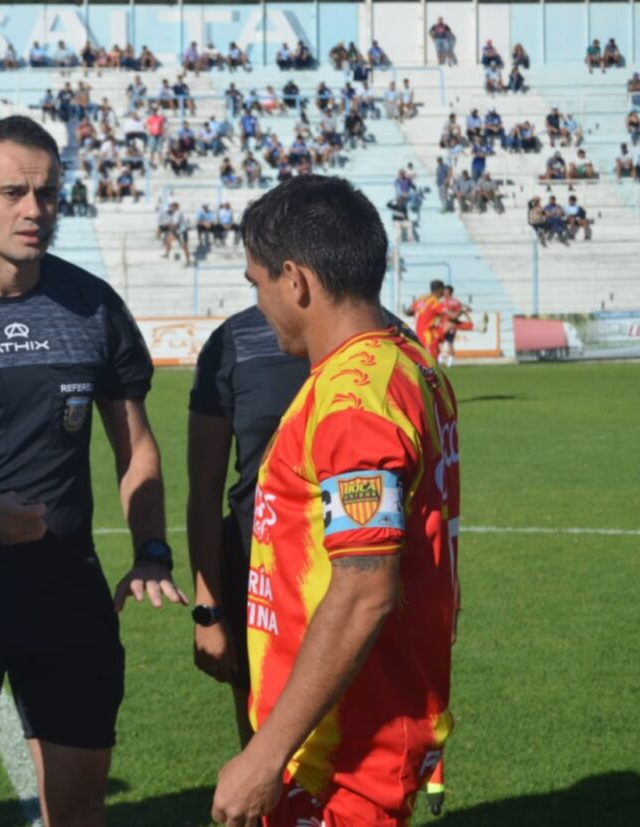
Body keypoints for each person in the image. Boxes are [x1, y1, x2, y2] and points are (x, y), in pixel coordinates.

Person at [0, 115, 185, 827]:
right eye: (13, 192)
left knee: (78, 812)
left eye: (47, 194)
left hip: (66, 587)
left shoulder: (94, 308)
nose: (33, 211)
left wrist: (150, 547)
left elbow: (136, 446)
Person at [210, 174, 459, 826]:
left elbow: (363, 587)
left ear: (295, 281)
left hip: (344, 762)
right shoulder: (403, 361)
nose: (259, 302)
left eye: (256, 283)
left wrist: (264, 754)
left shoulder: (356, 400)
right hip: (341, 740)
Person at [187, 307, 308, 749]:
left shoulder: (386, 334)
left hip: (356, 573)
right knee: (263, 754)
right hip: (258, 580)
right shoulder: (234, 340)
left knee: (356, 758)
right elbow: (204, 490)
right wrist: (208, 610)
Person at [408, 279, 448, 358]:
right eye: (443, 289)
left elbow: (408, 311)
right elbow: (452, 315)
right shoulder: (435, 303)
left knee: (424, 361)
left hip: (419, 334)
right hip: (428, 336)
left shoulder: (421, 299)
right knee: (431, 362)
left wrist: (420, 312)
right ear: (440, 290)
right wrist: (462, 311)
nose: (444, 291)